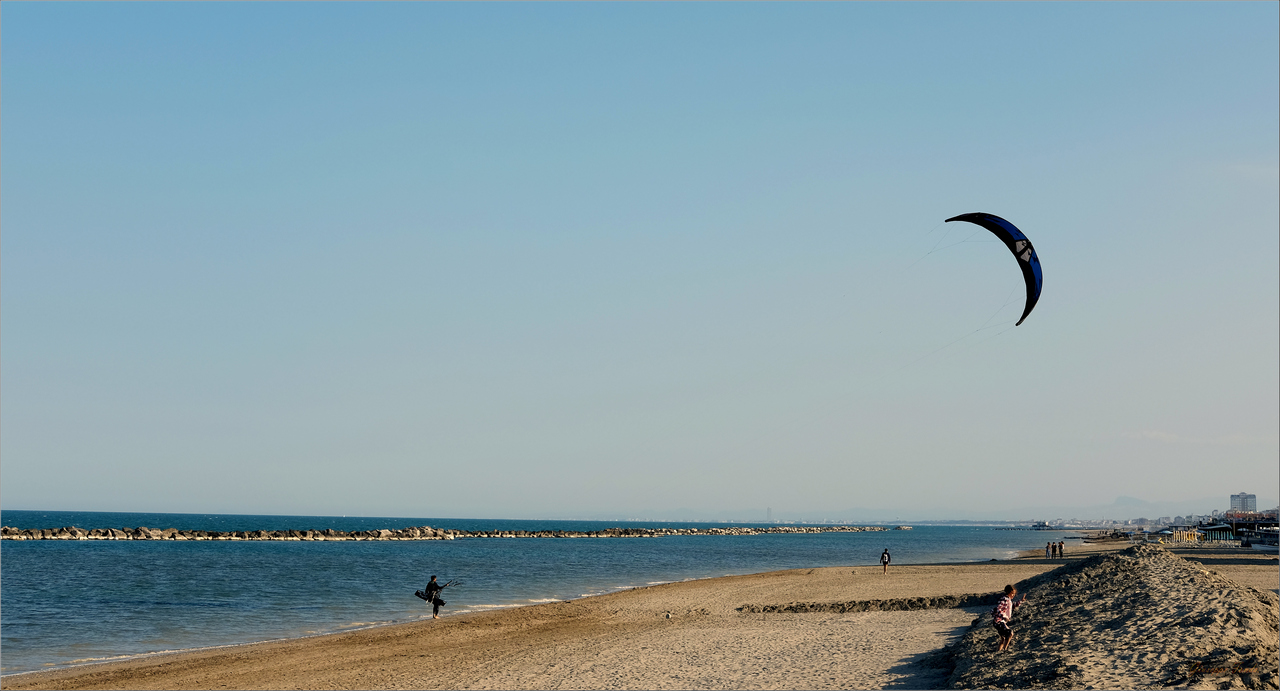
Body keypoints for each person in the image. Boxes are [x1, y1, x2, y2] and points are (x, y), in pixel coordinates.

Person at [992, 584, 1027, 652]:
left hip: (998, 621)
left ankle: (998, 651)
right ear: (1009, 592)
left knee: (1003, 638)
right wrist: (1003, 616)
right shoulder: (1005, 599)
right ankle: (1004, 650)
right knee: (1010, 633)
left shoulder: (1008, 600)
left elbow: (1012, 606)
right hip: (999, 621)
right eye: (1012, 593)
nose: (1013, 595)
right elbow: (999, 608)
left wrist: (1021, 601)